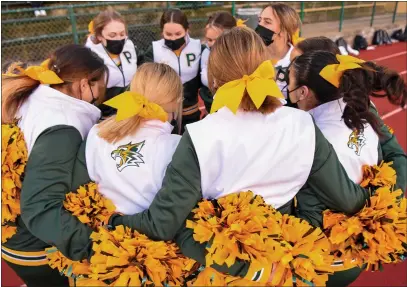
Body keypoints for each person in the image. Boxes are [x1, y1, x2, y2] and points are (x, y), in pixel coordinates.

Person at [107, 27, 374, 284]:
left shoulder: (200, 135)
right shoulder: (302, 124)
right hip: (283, 265)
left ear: (213, 79)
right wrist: (383, 195)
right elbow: (348, 200)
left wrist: (113, 221)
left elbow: (164, 224)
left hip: (223, 272)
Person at [1, 44, 106, 287]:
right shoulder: (62, 127)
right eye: (100, 87)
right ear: (83, 84)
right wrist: (99, 250)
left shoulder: (36, 95)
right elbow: (41, 208)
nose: (101, 95)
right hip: (38, 250)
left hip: (16, 236)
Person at [85, 62, 183, 215]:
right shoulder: (175, 146)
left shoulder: (97, 132)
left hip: (104, 232)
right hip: (153, 233)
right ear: (177, 101)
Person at [143, 8, 204, 133]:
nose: (173, 38)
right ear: (162, 32)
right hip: (165, 118)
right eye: (168, 34)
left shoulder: (198, 47)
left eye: (178, 34)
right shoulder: (154, 50)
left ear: (187, 30)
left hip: (192, 114)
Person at [85, 7, 139, 118]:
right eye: (112, 35)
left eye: (122, 34)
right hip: (106, 116)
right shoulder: (89, 55)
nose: (119, 39)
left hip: (132, 110)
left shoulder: (129, 45)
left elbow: (141, 63)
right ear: (100, 36)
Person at [254, 3, 302, 99]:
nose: (260, 25)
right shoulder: (251, 56)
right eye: (259, 20)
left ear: (284, 30)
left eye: (267, 22)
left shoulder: (299, 62)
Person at [200, 11, 237, 113]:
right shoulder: (206, 52)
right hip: (211, 109)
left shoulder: (240, 57)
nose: (212, 44)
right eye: (209, 40)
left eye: (217, 40)